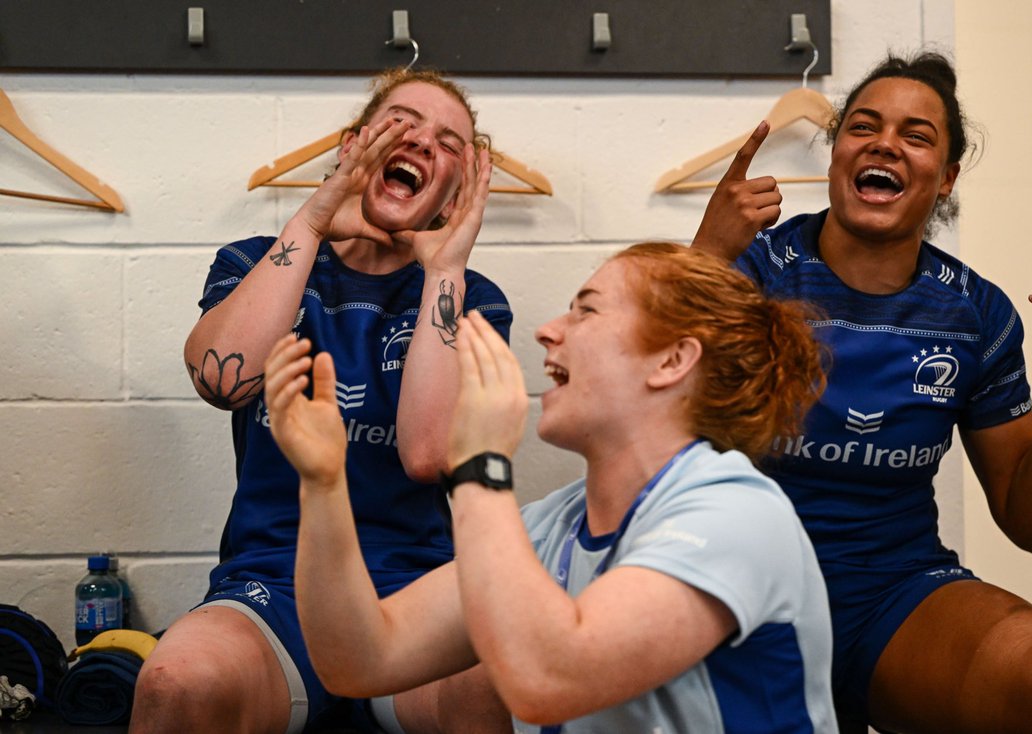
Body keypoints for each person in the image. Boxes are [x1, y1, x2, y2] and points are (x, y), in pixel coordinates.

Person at [692, 51, 1032, 733]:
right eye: (863, 127)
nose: (885, 145)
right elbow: (636, 401)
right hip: (743, 589)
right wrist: (703, 261)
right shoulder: (751, 268)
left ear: (947, 176)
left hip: (892, 593)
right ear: (837, 152)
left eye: (917, 135)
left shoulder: (976, 313)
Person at [266, 242, 839, 733]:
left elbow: (550, 678)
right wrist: (323, 485)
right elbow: (361, 659)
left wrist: (479, 464)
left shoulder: (733, 512)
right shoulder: (554, 524)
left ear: (671, 359)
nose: (547, 331)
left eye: (585, 312)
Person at [131, 68, 513, 733]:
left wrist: (444, 267)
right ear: (352, 145)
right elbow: (223, 381)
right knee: (175, 683)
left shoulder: (473, 296)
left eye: (449, 141)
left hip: (412, 588)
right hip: (276, 584)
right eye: (402, 122)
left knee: (490, 688)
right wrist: (313, 218)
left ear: (455, 190)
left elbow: (429, 453)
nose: (423, 142)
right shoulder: (259, 259)